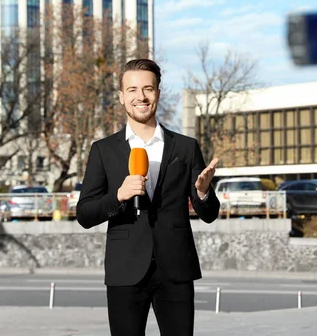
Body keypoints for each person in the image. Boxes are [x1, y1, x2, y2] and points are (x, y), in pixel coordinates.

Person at [76, 58, 220, 336]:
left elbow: (210, 214)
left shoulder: (186, 147)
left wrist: (202, 192)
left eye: (147, 89)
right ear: (121, 97)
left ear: (158, 93)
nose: (140, 96)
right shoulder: (103, 150)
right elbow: (84, 214)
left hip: (176, 267)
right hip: (124, 269)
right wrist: (118, 195)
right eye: (132, 90)